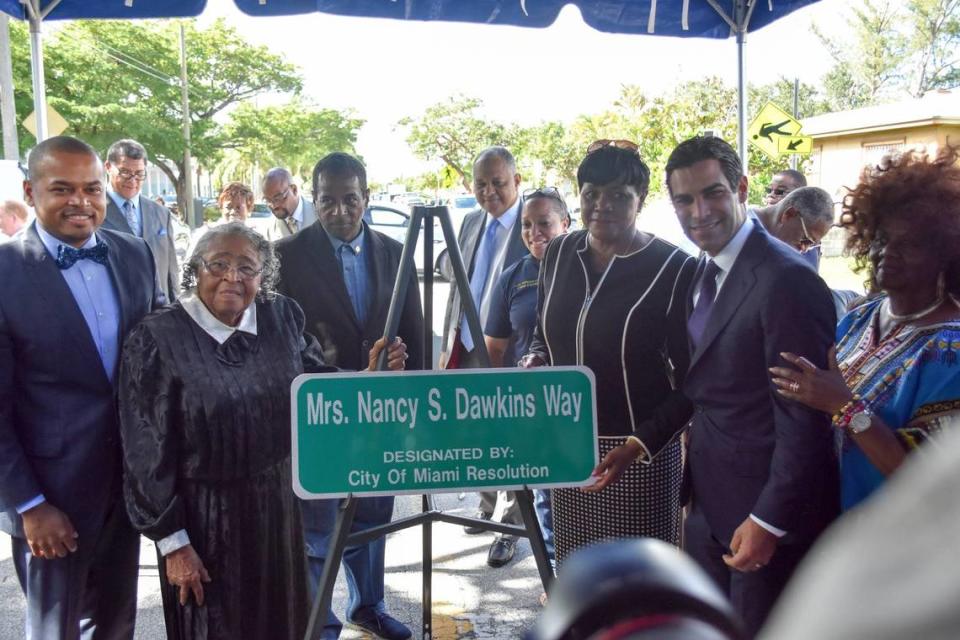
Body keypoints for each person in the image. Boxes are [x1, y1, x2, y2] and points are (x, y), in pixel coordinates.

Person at [118, 222, 407, 640]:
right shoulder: (157, 337)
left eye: (247, 268)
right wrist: (173, 543)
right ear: (195, 270)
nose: (232, 277)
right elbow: (144, 451)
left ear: (263, 276)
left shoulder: (280, 315)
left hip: (280, 514)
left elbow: (315, 385)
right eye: (218, 264)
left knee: (285, 624)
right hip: (204, 523)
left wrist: (366, 375)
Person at [665, 135, 838, 637]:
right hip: (709, 505)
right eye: (684, 199)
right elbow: (708, 387)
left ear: (740, 188)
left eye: (712, 193)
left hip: (764, 519)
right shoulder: (705, 269)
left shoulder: (787, 280)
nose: (699, 211)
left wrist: (768, 521)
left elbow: (805, 419)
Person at [0, 135, 163, 639]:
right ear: (30, 192)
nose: (81, 202)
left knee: (116, 622)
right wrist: (28, 505)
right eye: (62, 189)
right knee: (56, 628)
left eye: (92, 188)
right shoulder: (4, 273)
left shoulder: (134, 255)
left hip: (126, 485)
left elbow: (164, 349)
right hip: (51, 500)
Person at [521, 141, 697, 567]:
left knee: (639, 581)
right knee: (579, 575)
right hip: (569, 444)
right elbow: (543, 332)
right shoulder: (560, 253)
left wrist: (639, 444)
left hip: (640, 454)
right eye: (591, 193)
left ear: (641, 200)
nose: (602, 205)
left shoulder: (673, 268)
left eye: (619, 195)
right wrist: (537, 359)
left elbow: (693, 381)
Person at [275, 152, 422, 640]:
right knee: (318, 525)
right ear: (313, 199)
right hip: (321, 413)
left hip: (382, 414)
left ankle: (368, 606)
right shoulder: (286, 256)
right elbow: (281, 339)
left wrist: (413, 406)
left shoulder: (394, 251)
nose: (340, 210)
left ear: (367, 198)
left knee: (374, 514)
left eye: (350, 199)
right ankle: (322, 620)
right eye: (328, 200)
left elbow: (414, 332)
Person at [769, 147, 960, 512]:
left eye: (910, 243)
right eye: (881, 238)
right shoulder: (861, 316)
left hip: (889, 545)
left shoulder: (951, 351)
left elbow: (931, 482)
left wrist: (844, 406)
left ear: (946, 253)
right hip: (820, 521)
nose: (887, 251)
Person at [439, 146, 529, 568]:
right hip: (469, 346)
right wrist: (447, 344)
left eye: (498, 183)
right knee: (478, 432)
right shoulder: (472, 221)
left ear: (516, 181)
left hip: (512, 350)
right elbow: (457, 279)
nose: (489, 192)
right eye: (481, 184)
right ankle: (485, 503)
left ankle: (513, 526)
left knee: (512, 436)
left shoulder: (533, 222)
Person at [483, 187, 570, 572]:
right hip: (530, 407)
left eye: (545, 223)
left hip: (578, 406)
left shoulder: (588, 268)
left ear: (565, 223)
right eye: (527, 225)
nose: (535, 232)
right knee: (543, 496)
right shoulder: (512, 278)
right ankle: (553, 572)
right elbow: (495, 349)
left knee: (577, 491)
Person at [756, 186, 859, 314]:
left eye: (812, 245)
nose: (804, 249)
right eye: (805, 240)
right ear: (789, 215)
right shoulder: (740, 233)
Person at [102, 139, 181, 302]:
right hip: (117, 310)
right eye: (125, 172)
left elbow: (170, 271)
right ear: (108, 167)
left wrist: (175, 309)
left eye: (139, 174)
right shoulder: (94, 211)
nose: (132, 180)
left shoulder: (160, 213)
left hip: (158, 311)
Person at [262, 167, 317, 240]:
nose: (274, 205)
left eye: (278, 198)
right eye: (268, 200)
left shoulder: (320, 215)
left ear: (294, 190)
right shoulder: (270, 229)